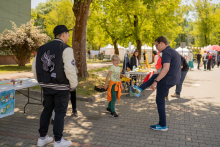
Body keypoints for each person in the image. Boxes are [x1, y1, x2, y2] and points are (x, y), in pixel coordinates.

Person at [32, 25, 78, 147]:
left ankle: (42, 138)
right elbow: (70, 69)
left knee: (46, 110)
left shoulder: (41, 48)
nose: (68, 36)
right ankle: (58, 141)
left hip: (46, 85)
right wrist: (73, 85)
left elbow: (34, 67)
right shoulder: (66, 48)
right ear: (64, 34)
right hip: (61, 86)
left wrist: (41, 81)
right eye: (68, 34)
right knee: (59, 112)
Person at [131, 36, 181, 131]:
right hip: (174, 79)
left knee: (160, 101)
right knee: (154, 76)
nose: (156, 47)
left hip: (167, 80)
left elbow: (166, 69)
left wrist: (155, 82)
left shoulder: (166, 52)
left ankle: (162, 125)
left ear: (161, 43)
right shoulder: (172, 51)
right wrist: (157, 78)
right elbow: (170, 68)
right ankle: (140, 89)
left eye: (156, 45)